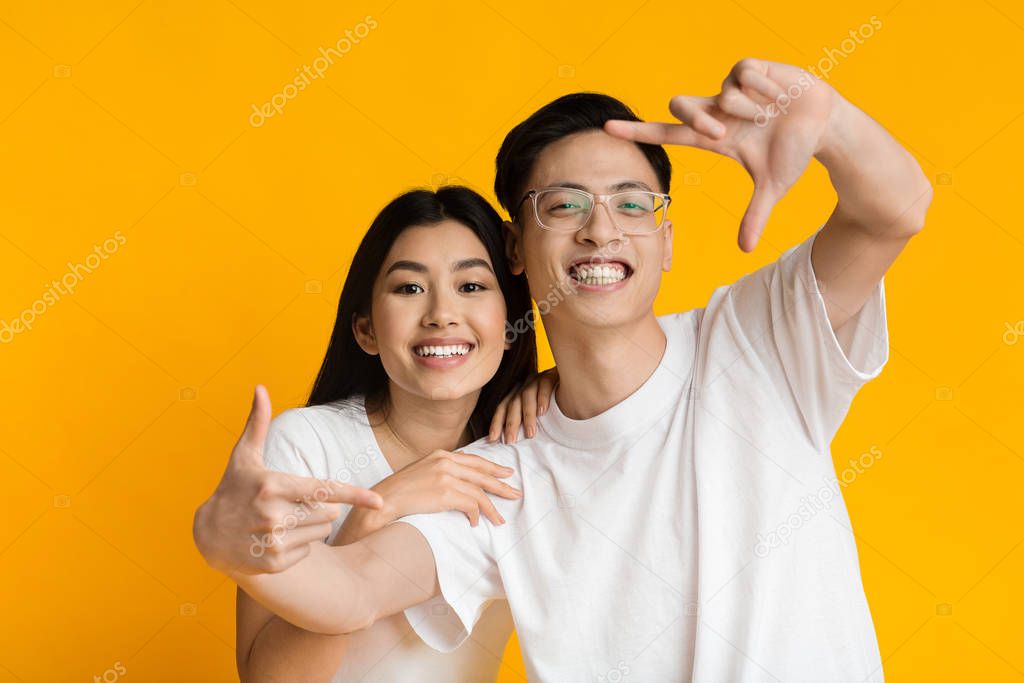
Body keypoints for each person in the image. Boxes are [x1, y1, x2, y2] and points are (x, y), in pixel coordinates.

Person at [200, 58, 933, 681]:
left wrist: (828, 122)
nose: (601, 227)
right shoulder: (497, 473)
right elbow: (352, 590)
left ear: (666, 237)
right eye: (565, 204)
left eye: (631, 202)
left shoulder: (757, 339)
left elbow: (894, 209)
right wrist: (236, 546)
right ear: (516, 249)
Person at [193, 186, 557, 681]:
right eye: (409, 289)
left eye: (471, 286)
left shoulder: (524, 451)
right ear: (365, 330)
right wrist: (377, 512)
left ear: (511, 322)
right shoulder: (307, 444)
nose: (441, 313)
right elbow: (269, 678)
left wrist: (563, 385)